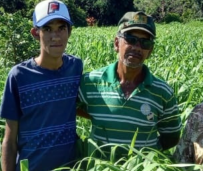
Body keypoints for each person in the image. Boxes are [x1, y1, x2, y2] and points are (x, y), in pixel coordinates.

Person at [0, 0, 83, 171]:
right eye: (47, 29)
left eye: (61, 28)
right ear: (36, 33)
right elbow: (9, 140)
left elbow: (83, 106)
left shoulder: (76, 68)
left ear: (69, 32)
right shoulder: (18, 76)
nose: (55, 36)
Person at [77, 11, 181, 159]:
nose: (137, 47)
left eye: (145, 42)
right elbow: (67, 111)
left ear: (150, 51)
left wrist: (147, 156)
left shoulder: (162, 92)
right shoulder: (90, 82)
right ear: (116, 43)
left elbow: (171, 137)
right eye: (130, 39)